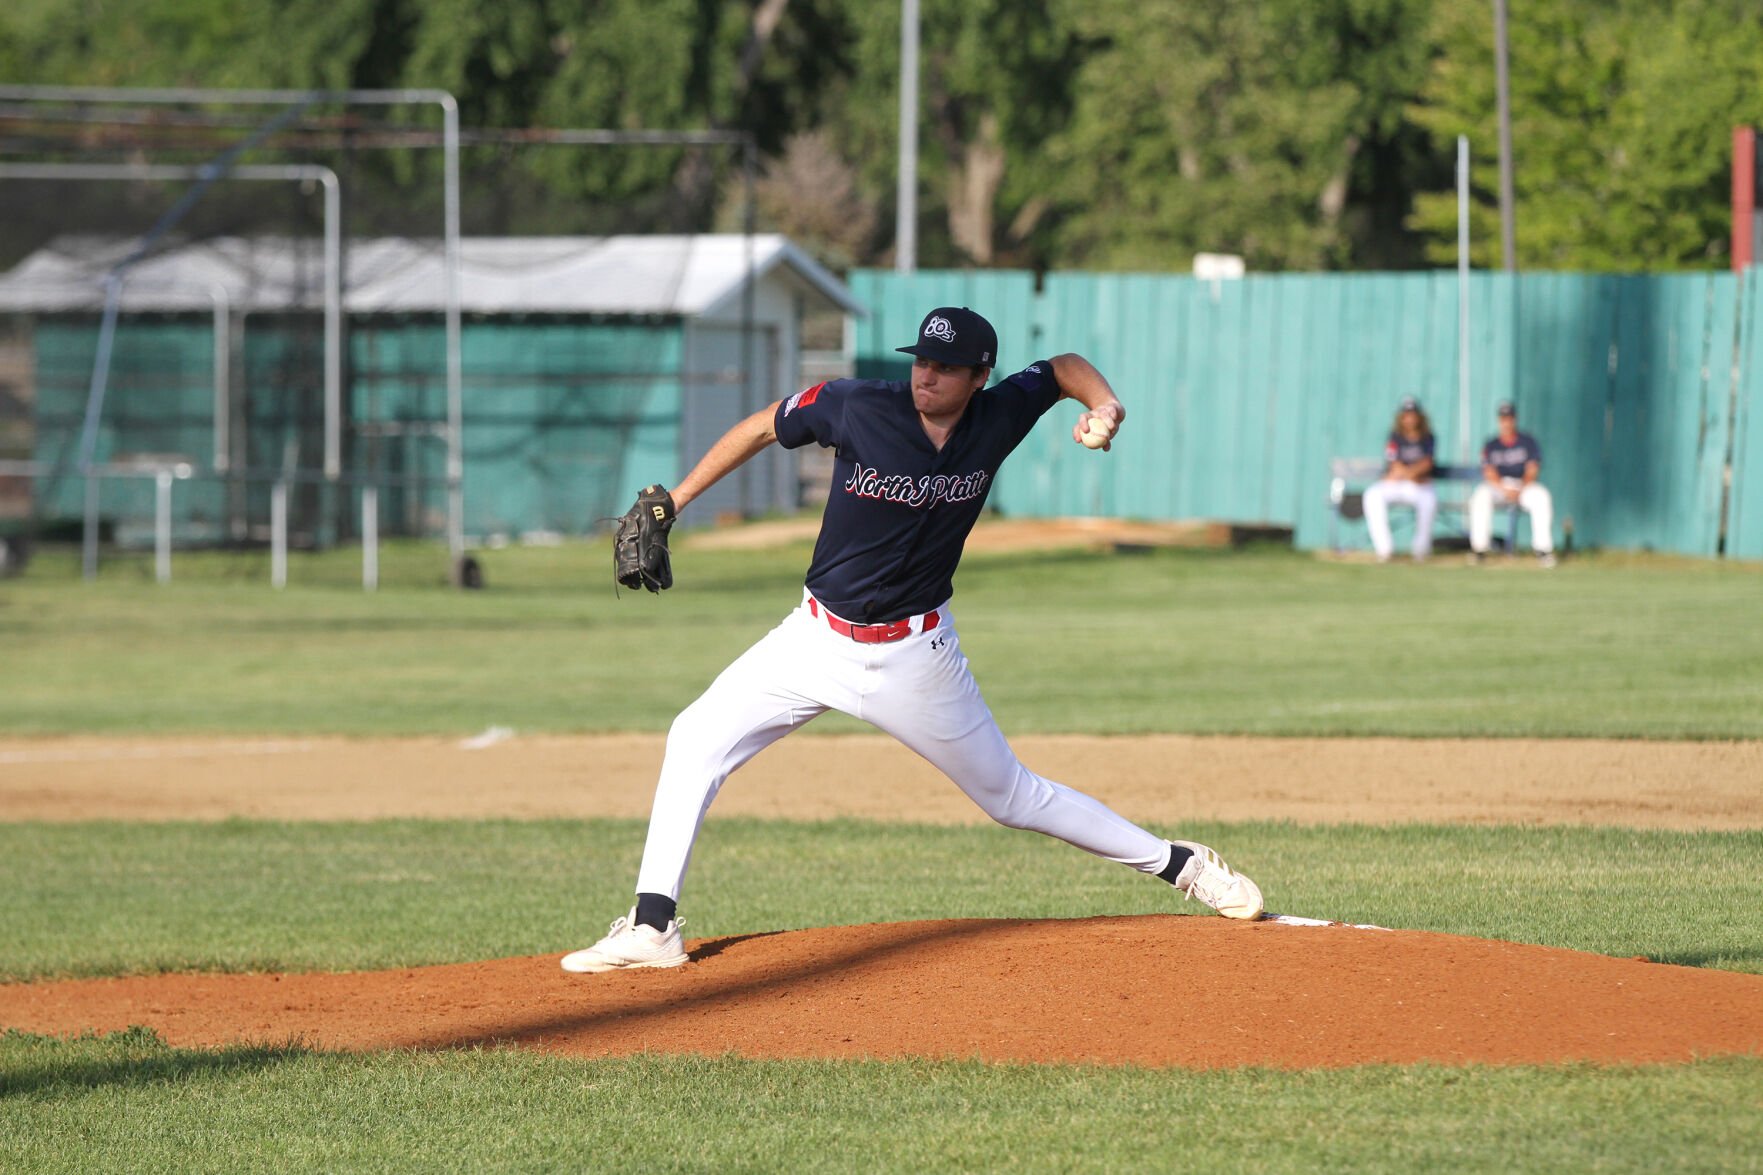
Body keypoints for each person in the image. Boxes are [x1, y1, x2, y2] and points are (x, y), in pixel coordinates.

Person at [562, 306, 1265, 973]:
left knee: (1011, 798)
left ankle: (1182, 864)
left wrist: (1104, 406)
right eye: (921, 360)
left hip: (916, 657)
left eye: (944, 367)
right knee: (694, 736)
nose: (925, 375)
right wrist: (676, 502)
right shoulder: (855, 404)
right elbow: (758, 427)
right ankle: (653, 926)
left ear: (978, 377)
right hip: (812, 639)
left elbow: (1061, 368)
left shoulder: (997, 415)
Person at [1470, 400, 1555, 567]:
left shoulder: (1527, 442)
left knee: (1542, 497)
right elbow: (1489, 472)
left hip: (1523, 485)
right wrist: (1503, 488)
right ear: (1499, 420)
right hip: (1499, 486)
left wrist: (1521, 488)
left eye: (1509, 418)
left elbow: (1532, 469)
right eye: (1503, 418)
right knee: (1481, 496)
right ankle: (1479, 549)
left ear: (1514, 419)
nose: (1506, 422)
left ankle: (1543, 549)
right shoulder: (1491, 444)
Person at [1361, 396, 1437, 563]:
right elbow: (1393, 463)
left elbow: (1427, 463)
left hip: (1419, 487)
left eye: (1413, 414)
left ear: (1419, 417)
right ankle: (1384, 550)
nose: (1409, 419)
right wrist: (1409, 473)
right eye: (1406, 415)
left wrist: (1408, 473)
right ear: (1401, 417)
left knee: (1429, 501)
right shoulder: (1394, 437)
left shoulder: (1427, 437)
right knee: (1372, 495)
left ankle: (1420, 551)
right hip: (1397, 484)